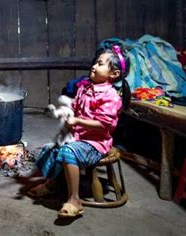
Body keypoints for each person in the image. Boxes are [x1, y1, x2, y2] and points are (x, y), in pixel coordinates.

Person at [29, 45, 131, 218]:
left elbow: (103, 124)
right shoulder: (85, 88)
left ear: (114, 74)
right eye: (95, 62)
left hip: (95, 143)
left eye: (100, 64)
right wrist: (65, 110)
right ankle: (52, 183)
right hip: (79, 137)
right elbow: (75, 107)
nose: (94, 66)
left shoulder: (111, 96)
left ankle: (75, 200)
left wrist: (77, 121)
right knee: (51, 148)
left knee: (68, 151)